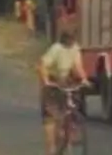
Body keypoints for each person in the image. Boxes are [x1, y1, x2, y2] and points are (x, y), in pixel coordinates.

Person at [39, 27, 89, 155]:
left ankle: (69, 129)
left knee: (73, 101)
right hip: (53, 81)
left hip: (65, 79)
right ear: (65, 39)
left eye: (73, 39)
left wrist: (84, 79)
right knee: (50, 116)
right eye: (70, 39)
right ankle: (51, 149)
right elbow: (42, 65)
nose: (72, 42)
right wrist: (46, 81)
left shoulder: (75, 48)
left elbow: (77, 66)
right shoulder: (56, 49)